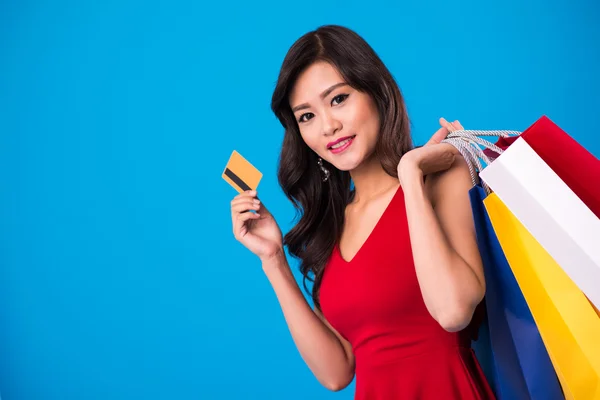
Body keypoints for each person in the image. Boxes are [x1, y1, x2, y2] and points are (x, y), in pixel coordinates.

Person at [230, 25, 494, 399]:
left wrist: (410, 175)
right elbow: (338, 372)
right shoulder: (332, 223)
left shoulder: (438, 177)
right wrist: (272, 259)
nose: (328, 126)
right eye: (307, 116)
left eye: (338, 99)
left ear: (377, 93)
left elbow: (453, 312)